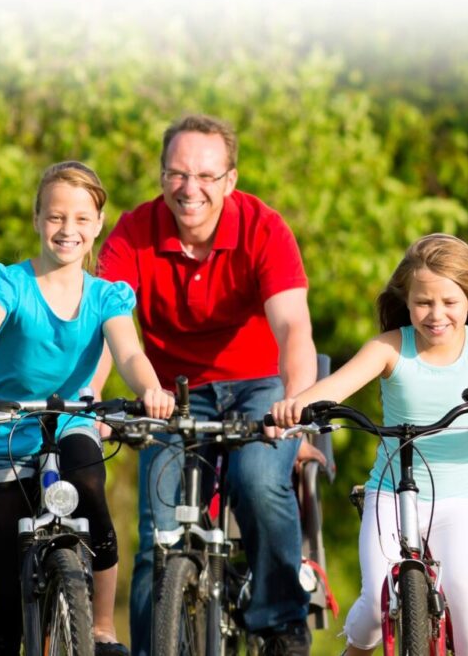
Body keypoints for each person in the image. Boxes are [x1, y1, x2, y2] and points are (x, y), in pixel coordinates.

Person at [0, 161, 176, 656]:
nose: (68, 229)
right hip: (4, 427)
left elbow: (129, 354)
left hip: (69, 421)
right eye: (56, 217)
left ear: (98, 224)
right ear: (37, 218)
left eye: (82, 218)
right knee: (6, 601)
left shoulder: (107, 296)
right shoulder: (7, 284)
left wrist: (152, 389)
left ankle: (102, 627)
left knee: (89, 486)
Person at [98, 114, 319, 655]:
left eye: (205, 175)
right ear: (161, 176)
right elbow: (108, 328)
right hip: (170, 394)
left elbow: (293, 327)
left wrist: (295, 403)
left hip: (259, 386)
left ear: (230, 179)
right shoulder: (134, 232)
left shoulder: (264, 228)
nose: (189, 188)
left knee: (257, 481)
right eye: (177, 173)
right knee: (157, 536)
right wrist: (93, 400)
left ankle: (279, 621)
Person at [270, 234, 468, 655]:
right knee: (374, 608)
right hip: (390, 495)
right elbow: (334, 388)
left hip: (460, 502)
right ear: (407, 302)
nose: (436, 314)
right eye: (423, 302)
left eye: (449, 302)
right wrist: (295, 407)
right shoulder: (390, 347)